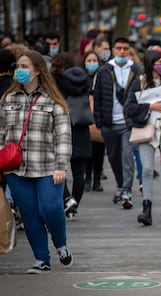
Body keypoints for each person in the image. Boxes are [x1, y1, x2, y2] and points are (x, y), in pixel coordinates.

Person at [0, 50, 73, 274]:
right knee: (29, 213)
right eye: (18, 66)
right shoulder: (7, 99)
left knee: (50, 207)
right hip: (16, 169)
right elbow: (1, 133)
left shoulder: (54, 102)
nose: (19, 71)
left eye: (24, 66)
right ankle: (41, 258)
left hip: (48, 167)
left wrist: (61, 165)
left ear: (38, 71)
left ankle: (61, 244)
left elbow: (63, 136)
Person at [124, 49, 161, 225]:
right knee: (146, 169)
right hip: (147, 129)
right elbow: (129, 107)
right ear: (149, 64)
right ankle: (147, 208)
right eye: (158, 62)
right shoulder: (140, 82)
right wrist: (149, 107)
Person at [93, 37, 140, 209]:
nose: (122, 51)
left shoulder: (136, 70)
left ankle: (126, 189)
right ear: (113, 50)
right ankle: (120, 185)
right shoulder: (104, 70)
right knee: (113, 157)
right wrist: (99, 121)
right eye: (119, 48)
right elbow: (97, 96)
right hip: (109, 123)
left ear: (129, 50)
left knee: (127, 156)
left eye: (125, 48)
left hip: (129, 123)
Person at [51, 52, 92, 221]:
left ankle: (67, 199)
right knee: (79, 172)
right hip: (82, 129)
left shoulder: (56, 81)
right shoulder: (84, 79)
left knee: (58, 168)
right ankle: (74, 205)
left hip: (63, 127)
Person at [82, 50, 105, 193]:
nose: (92, 64)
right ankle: (88, 179)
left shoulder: (102, 77)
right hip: (85, 120)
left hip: (99, 119)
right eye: (89, 61)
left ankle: (97, 179)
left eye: (94, 61)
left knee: (99, 151)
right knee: (88, 152)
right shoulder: (81, 79)